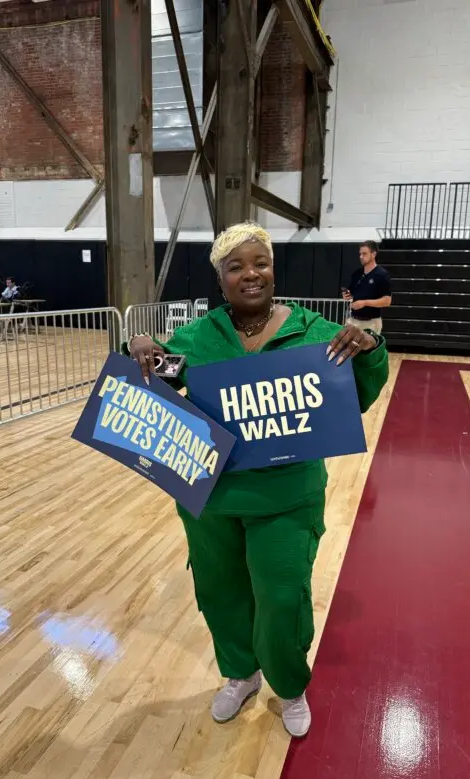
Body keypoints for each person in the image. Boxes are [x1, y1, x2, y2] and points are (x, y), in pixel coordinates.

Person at [127, 222, 389, 738]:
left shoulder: (315, 332)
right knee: (221, 593)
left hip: (286, 496)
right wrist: (134, 344)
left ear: (273, 268)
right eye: (235, 267)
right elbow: (154, 371)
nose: (250, 274)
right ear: (220, 278)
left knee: (283, 596)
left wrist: (369, 349)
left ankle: (289, 685)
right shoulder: (198, 337)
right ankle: (241, 674)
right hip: (211, 496)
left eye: (260, 263)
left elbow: (355, 398)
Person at [343, 240, 392, 334]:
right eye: (360, 254)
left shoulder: (382, 275)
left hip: (371, 323)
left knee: (368, 349)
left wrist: (365, 303)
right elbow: (351, 293)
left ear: (373, 254)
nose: (361, 257)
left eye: (364, 254)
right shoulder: (357, 274)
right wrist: (347, 295)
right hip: (353, 321)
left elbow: (387, 301)